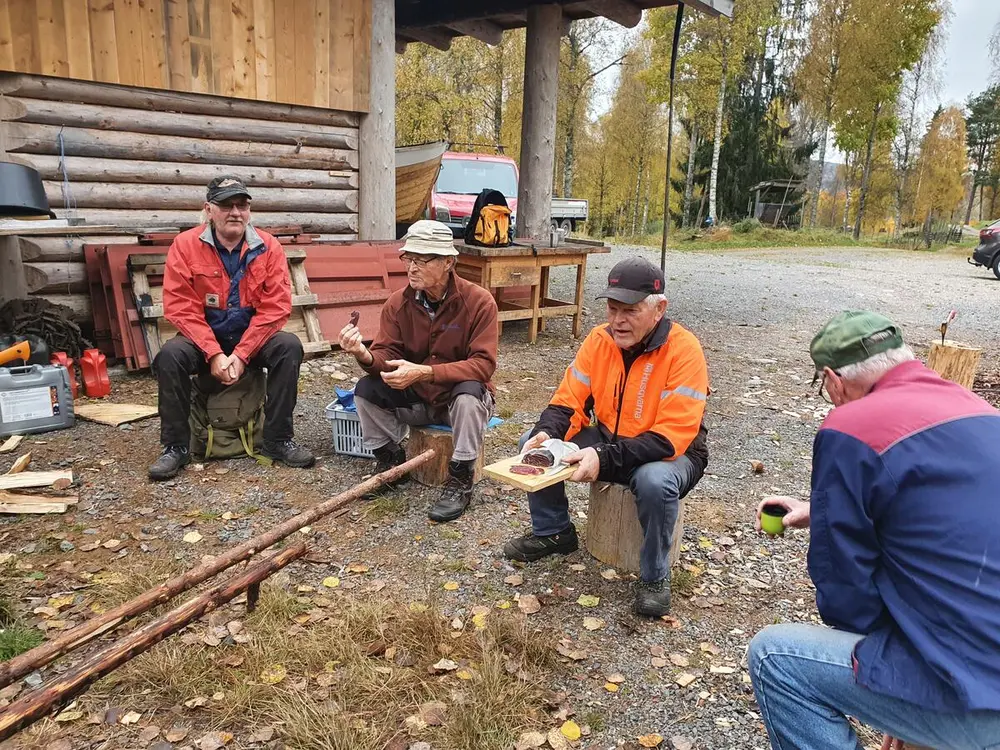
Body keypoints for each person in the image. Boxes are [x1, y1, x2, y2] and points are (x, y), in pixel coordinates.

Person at [748, 311, 1000, 750]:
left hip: (981, 704)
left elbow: (846, 594)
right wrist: (821, 510)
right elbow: (951, 521)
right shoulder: (979, 411)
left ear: (832, 379)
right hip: (985, 664)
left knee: (774, 657)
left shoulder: (851, 426)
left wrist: (892, 672)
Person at [502, 256, 709, 617]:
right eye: (612, 309)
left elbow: (669, 437)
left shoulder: (684, 350)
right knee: (530, 445)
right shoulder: (599, 341)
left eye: (629, 311)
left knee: (654, 481)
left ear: (659, 309)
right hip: (611, 439)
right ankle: (554, 532)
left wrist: (602, 456)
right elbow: (568, 402)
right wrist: (545, 432)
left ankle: (654, 576)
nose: (617, 321)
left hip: (671, 453)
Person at [148, 176, 315, 480]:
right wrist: (213, 354)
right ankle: (176, 447)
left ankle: (277, 439)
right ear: (209, 209)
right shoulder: (185, 246)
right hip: (204, 339)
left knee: (289, 347)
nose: (235, 212)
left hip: (250, 339)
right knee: (169, 356)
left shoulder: (268, 247)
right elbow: (180, 307)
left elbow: (275, 307)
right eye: (226, 205)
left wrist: (241, 354)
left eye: (242, 205)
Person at [338, 220, 498, 522]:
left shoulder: (478, 302)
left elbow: (484, 364)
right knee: (366, 389)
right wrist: (364, 354)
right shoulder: (398, 304)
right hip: (419, 400)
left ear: (448, 262)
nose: (412, 267)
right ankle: (390, 460)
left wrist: (425, 372)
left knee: (470, 393)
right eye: (409, 259)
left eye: (422, 260)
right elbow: (388, 355)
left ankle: (461, 478)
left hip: (458, 400)